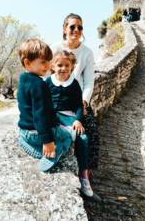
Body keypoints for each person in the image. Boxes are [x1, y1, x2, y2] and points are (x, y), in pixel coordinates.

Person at [51, 13, 99, 171]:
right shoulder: (55, 48)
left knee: (91, 130)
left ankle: (87, 174)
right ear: (65, 29)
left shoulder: (87, 53)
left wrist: (84, 101)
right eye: (72, 26)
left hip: (78, 101)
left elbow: (89, 82)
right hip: (56, 99)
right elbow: (46, 75)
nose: (76, 30)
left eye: (80, 27)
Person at [17, 38, 72, 172]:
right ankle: (50, 155)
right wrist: (47, 141)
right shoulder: (39, 85)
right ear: (27, 63)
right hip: (38, 134)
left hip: (25, 132)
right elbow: (40, 116)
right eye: (42, 62)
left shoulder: (23, 79)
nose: (47, 66)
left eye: (48, 61)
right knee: (67, 137)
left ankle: (26, 143)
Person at [46, 50, 93, 197]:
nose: (63, 68)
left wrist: (78, 120)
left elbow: (79, 105)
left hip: (69, 117)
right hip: (52, 116)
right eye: (59, 65)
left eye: (67, 65)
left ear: (72, 67)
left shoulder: (74, 84)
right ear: (53, 66)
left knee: (83, 138)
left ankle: (84, 175)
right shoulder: (48, 82)